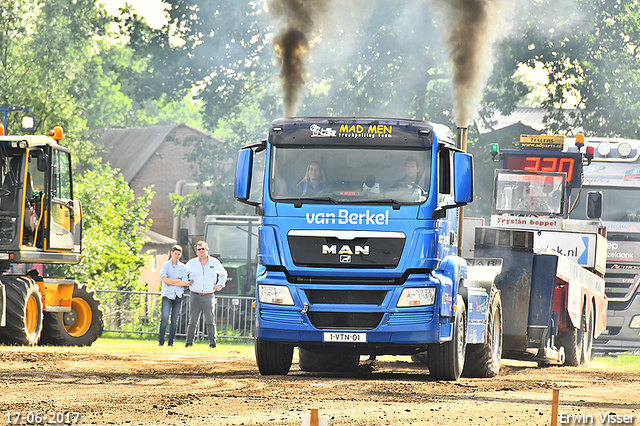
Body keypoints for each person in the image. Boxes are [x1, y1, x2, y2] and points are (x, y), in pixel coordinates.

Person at [185, 241, 228, 348]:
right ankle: (189, 343)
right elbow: (183, 273)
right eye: (199, 249)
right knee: (192, 320)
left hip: (208, 295)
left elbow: (223, 273)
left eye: (202, 249)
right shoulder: (192, 263)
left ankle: (213, 343)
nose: (201, 251)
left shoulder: (214, 262)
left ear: (207, 250)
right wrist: (187, 281)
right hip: (195, 294)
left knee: (210, 320)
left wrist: (220, 285)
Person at [158, 245, 189, 346]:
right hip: (167, 294)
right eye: (175, 254)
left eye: (179, 254)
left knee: (175, 319)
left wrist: (171, 281)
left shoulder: (183, 267)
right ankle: (161, 340)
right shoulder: (165, 265)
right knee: (165, 317)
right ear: (171, 253)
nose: (177, 256)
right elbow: (165, 280)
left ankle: (171, 341)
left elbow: (185, 282)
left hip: (178, 295)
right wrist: (177, 281)